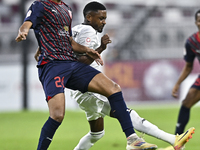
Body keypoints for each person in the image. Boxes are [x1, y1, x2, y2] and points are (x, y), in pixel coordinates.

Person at [15, 0, 157, 150]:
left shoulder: (66, 9)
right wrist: (23, 31)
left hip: (70, 63)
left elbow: (68, 40)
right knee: (57, 115)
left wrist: (88, 50)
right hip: (52, 65)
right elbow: (28, 22)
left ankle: (132, 140)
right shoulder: (40, 5)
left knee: (113, 88)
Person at [60, 2, 194, 150]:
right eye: (101, 18)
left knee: (97, 133)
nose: (104, 21)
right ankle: (169, 139)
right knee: (126, 113)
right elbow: (81, 63)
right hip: (89, 88)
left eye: (105, 18)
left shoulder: (75, 29)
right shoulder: (89, 32)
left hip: (81, 89)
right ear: (89, 17)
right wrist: (101, 48)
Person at [158, 9, 200, 150]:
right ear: (196, 23)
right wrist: (177, 84)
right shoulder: (192, 42)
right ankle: (178, 141)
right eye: (199, 20)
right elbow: (188, 66)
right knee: (186, 102)